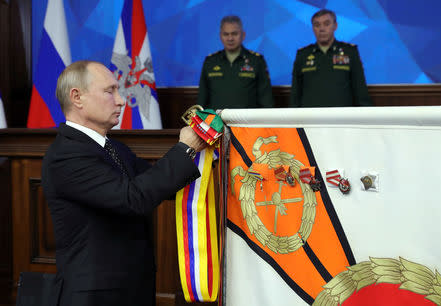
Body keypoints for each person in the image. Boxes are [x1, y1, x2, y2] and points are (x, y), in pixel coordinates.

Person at [41, 60, 206, 306]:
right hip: (95, 296)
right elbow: (134, 198)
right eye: (110, 91)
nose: (121, 100)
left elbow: (158, 186)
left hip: (130, 290)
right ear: (77, 97)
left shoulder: (114, 147)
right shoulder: (66, 155)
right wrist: (185, 149)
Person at [290, 9, 372, 107]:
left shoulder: (350, 52)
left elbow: (360, 89)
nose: (322, 29)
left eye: (326, 24)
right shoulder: (302, 55)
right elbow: (296, 93)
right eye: (317, 25)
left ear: (335, 26)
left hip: (341, 117)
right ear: (312, 28)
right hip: (311, 118)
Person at [197, 15, 274, 110]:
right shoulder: (210, 61)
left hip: (247, 122)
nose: (230, 38)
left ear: (243, 35)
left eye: (234, 34)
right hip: (216, 122)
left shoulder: (256, 61)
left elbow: (266, 99)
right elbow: (202, 100)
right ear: (220, 36)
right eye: (226, 34)